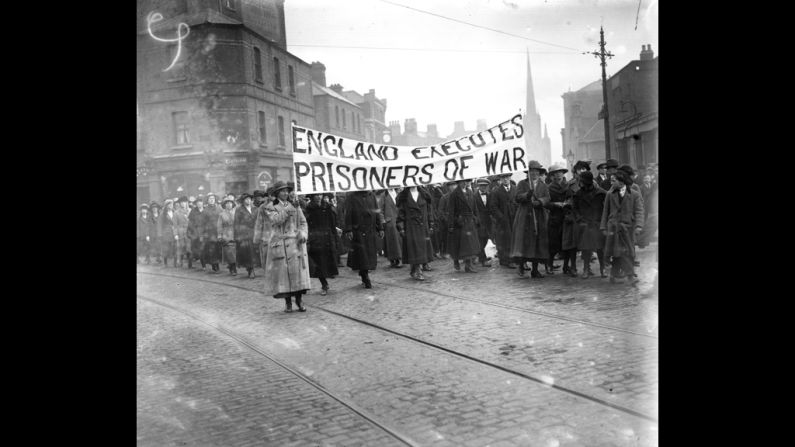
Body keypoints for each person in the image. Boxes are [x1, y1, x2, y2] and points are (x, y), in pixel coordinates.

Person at [262, 181, 311, 312]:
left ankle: (299, 301)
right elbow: (276, 220)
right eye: (283, 191)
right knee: (284, 277)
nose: (286, 193)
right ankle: (288, 303)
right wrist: (290, 208)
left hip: (295, 245)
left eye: (287, 191)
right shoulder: (270, 207)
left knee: (297, 275)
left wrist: (303, 233)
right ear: (277, 193)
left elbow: (303, 222)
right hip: (281, 245)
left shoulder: (295, 205)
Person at [601, 170, 644, 285]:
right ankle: (625, 276)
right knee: (617, 253)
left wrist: (639, 225)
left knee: (626, 252)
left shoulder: (634, 194)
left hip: (627, 228)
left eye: (613, 181)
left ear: (621, 182)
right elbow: (605, 211)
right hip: (613, 228)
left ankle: (620, 275)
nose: (611, 183)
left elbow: (639, 211)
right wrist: (603, 228)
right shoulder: (610, 194)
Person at [510, 160, 550, 278]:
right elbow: (517, 197)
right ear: (528, 172)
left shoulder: (543, 185)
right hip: (525, 217)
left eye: (536, 171)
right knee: (524, 242)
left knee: (537, 243)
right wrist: (527, 195)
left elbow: (547, 197)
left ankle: (535, 270)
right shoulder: (522, 184)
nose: (534, 173)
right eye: (532, 171)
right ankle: (521, 266)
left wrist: (539, 202)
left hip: (538, 217)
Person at [344, 190, 384, 288]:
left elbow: (376, 211)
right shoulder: (352, 196)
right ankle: (365, 277)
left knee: (368, 255)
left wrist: (380, 227)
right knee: (362, 255)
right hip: (358, 230)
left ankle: (363, 273)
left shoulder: (372, 196)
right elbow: (348, 213)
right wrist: (348, 229)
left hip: (370, 230)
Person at [396, 185, 435, 280]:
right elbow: (400, 214)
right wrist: (401, 228)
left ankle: (415, 270)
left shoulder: (424, 194)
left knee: (420, 249)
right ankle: (418, 271)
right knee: (414, 250)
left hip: (423, 226)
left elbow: (429, 211)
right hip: (411, 227)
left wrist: (431, 223)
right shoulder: (404, 197)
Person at [573, 171, 607, 278]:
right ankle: (586, 269)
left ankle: (603, 268)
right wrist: (579, 220)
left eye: (582, 181)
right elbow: (575, 209)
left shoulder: (601, 193)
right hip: (585, 224)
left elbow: (606, 209)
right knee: (586, 248)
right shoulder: (578, 194)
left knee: (600, 248)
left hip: (598, 223)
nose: (580, 183)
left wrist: (603, 222)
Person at [305, 193, 339, 295]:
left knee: (328, 260)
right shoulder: (309, 208)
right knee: (318, 263)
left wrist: (335, 232)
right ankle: (324, 284)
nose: (319, 197)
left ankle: (327, 278)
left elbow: (333, 222)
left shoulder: (328, 206)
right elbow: (306, 224)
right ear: (311, 197)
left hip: (327, 238)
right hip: (315, 239)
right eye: (316, 195)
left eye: (320, 194)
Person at [446, 179, 482, 273]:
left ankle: (468, 265)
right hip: (460, 223)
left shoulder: (470, 192)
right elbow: (451, 211)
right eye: (463, 182)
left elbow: (474, 207)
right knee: (460, 245)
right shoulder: (454, 194)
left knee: (470, 245)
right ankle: (457, 261)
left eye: (467, 181)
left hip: (470, 221)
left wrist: (477, 219)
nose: (465, 183)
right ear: (459, 182)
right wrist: (451, 224)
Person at [546, 164, 572, 276]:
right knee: (553, 244)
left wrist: (569, 203)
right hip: (554, 218)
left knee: (567, 243)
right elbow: (546, 203)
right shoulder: (549, 188)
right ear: (552, 175)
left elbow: (573, 198)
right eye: (556, 173)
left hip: (566, 218)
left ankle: (566, 266)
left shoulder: (568, 186)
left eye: (560, 172)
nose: (558, 175)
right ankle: (549, 265)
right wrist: (555, 204)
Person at [488, 173, 517, 269]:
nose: (505, 179)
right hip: (503, 220)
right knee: (504, 240)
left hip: (514, 218)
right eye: (503, 178)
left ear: (510, 178)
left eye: (507, 177)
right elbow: (493, 206)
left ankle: (513, 258)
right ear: (500, 179)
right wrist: (501, 217)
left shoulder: (515, 189)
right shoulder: (496, 191)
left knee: (514, 238)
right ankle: (507, 260)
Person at [234, 193, 258, 278]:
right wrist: (237, 236)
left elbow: (259, 221)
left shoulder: (255, 209)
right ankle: (251, 269)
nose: (248, 201)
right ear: (243, 201)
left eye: (249, 199)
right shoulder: (239, 210)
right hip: (244, 234)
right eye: (246, 199)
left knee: (254, 252)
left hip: (255, 233)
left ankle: (251, 268)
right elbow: (236, 223)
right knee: (248, 252)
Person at [381, 188, 403, 268]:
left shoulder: (398, 193)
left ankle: (399, 259)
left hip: (398, 220)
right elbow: (380, 209)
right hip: (389, 221)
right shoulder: (384, 195)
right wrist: (383, 220)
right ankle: (393, 260)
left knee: (399, 240)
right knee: (391, 242)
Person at [473, 178, 493, 267]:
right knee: (480, 240)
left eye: (485, 186)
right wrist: (476, 219)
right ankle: (483, 259)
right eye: (481, 186)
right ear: (478, 186)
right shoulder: (474, 196)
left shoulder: (489, 195)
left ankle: (479, 255)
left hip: (488, 221)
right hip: (478, 222)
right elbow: (472, 209)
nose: (483, 188)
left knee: (485, 240)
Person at [202, 193, 222, 273]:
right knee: (212, 249)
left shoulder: (219, 208)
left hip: (218, 230)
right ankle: (214, 264)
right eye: (210, 199)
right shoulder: (205, 210)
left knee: (218, 248)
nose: (211, 200)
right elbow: (202, 223)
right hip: (210, 232)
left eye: (213, 198)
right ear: (207, 200)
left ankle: (218, 263)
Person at [436, 181, 457, 258]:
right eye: (451, 185)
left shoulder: (458, 196)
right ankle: (444, 252)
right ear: (448, 187)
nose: (453, 187)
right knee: (445, 238)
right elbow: (440, 211)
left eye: (454, 185)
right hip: (446, 222)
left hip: (456, 220)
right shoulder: (444, 197)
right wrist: (446, 220)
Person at [218, 197, 238, 276]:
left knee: (235, 252)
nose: (229, 205)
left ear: (233, 204)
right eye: (227, 203)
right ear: (224, 205)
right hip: (226, 234)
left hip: (235, 233)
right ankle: (233, 268)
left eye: (230, 203)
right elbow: (219, 226)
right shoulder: (221, 214)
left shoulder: (235, 213)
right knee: (229, 252)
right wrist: (220, 235)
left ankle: (232, 265)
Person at [158, 199, 178, 267]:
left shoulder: (175, 212)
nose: (170, 206)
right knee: (165, 248)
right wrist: (160, 234)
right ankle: (165, 263)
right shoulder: (162, 214)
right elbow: (159, 224)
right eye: (169, 204)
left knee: (175, 248)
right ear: (166, 206)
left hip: (174, 233)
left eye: (171, 204)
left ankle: (175, 263)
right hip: (166, 233)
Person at [187, 196, 205, 269]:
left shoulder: (205, 210)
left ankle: (203, 264)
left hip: (204, 232)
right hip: (195, 233)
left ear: (203, 203)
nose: (199, 204)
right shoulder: (193, 211)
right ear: (196, 204)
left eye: (201, 203)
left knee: (203, 249)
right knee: (194, 249)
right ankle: (190, 263)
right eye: (198, 203)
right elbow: (190, 223)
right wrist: (191, 233)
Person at [174, 196, 191, 267]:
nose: (183, 204)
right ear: (180, 204)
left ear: (187, 203)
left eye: (185, 202)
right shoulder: (176, 212)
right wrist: (175, 234)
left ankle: (190, 263)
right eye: (181, 202)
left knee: (189, 247)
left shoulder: (190, 211)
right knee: (181, 247)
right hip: (180, 231)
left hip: (189, 231)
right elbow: (174, 225)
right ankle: (180, 262)